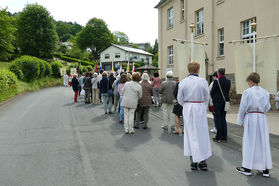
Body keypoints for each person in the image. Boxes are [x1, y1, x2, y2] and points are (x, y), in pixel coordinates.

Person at [236, 72, 272, 177]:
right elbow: (267, 107)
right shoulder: (265, 92)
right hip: (262, 118)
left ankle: (247, 168)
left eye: (248, 82)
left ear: (251, 81)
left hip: (251, 118)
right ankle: (265, 169)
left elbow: (242, 107)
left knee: (250, 142)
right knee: (263, 142)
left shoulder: (247, 92)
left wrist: (240, 120)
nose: (248, 84)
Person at [177, 62, 212, 171]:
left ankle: (193, 161)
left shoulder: (183, 82)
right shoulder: (203, 81)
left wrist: (187, 105)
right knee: (201, 134)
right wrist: (202, 106)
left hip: (188, 107)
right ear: (198, 70)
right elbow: (207, 96)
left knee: (190, 134)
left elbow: (179, 98)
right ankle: (202, 161)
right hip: (199, 107)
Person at [210, 68, 231, 142]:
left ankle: (219, 137)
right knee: (223, 119)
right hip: (225, 102)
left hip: (217, 102)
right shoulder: (228, 81)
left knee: (218, 119)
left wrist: (214, 99)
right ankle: (224, 136)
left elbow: (212, 92)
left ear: (218, 73)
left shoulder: (216, 81)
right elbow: (227, 91)